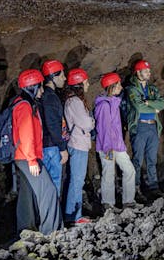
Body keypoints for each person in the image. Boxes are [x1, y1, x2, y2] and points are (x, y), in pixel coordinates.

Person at [12, 69, 63, 235]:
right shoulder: (25, 107)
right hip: (28, 157)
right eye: (39, 87)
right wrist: (33, 160)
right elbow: (26, 135)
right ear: (32, 88)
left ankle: (26, 229)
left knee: (28, 194)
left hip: (23, 156)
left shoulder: (22, 103)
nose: (42, 91)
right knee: (49, 191)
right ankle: (51, 231)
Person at [94, 72, 140, 211]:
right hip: (108, 147)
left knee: (129, 170)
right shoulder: (104, 106)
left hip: (117, 146)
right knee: (108, 173)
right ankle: (108, 204)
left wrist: (120, 144)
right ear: (111, 87)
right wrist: (108, 148)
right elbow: (104, 129)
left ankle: (128, 202)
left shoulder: (113, 103)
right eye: (118, 84)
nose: (121, 86)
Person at [125, 59, 164, 199]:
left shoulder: (152, 89)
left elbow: (162, 104)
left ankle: (153, 187)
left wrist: (148, 103)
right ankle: (136, 189)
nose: (149, 73)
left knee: (151, 159)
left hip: (153, 126)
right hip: (140, 126)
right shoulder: (131, 89)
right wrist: (154, 107)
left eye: (149, 70)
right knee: (137, 159)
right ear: (138, 72)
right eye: (146, 71)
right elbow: (138, 106)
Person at [63, 68, 95, 224]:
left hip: (78, 143)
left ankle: (74, 214)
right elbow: (86, 123)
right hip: (78, 144)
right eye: (86, 81)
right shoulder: (75, 102)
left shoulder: (73, 100)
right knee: (77, 181)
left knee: (76, 180)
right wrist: (92, 121)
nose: (88, 83)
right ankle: (74, 216)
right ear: (80, 84)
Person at [39, 60, 68, 197]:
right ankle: (53, 217)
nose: (65, 78)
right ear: (53, 77)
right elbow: (53, 125)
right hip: (51, 146)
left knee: (46, 184)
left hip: (45, 145)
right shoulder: (50, 97)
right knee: (54, 183)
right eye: (62, 75)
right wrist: (62, 148)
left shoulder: (42, 96)